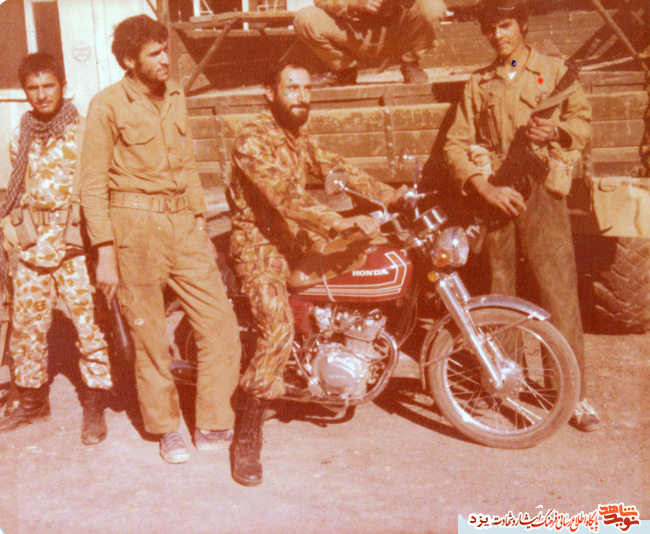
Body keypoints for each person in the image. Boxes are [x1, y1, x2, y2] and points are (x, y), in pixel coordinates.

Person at [228, 60, 408, 485]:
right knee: (277, 327)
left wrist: (391, 195)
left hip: (296, 238)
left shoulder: (299, 138)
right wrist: (336, 222)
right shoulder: (251, 140)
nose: (302, 97)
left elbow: (337, 170)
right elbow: (284, 195)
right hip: (259, 245)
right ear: (269, 92)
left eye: (307, 89)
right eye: (292, 88)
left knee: (366, 256)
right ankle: (247, 434)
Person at [80, 15, 241, 464]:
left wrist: (200, 224)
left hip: (183, 224)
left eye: (165, 49)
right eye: (154, 53)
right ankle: (167, 427)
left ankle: (213, 418)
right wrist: (105, 252)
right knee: (149, 335)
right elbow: (92, 185)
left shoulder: (176, 95)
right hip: (134, 227)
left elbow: (188, 165)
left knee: (220, 323)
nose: (166, 59)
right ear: (129, 61)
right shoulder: (106, 105)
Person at [443, 0, 600, 431]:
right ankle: (504, 385)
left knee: (558, 290)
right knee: (500, 292)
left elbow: (582, 123)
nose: (498, 36)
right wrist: (485, 188)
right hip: (499, 191)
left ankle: (573, 395)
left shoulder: (553, 71)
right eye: (491, 29)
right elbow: (455, 145)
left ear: (523, 24)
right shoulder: (479, 83)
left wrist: (557, 131)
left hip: (543, 191)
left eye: (506, 25)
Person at [0, 53, 112, 445]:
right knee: (27, 326)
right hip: (34, 246)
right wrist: (13, 234)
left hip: (75, 245)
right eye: (33, 88)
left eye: (49, 85)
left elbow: (99, 187)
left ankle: (95, 402)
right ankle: (33, 402)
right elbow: (14, 191)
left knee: (90, 326)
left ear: (63, 86)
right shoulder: (21, 135)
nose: (42, 94)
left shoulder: (85, 132)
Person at [293, 0, 448, 86]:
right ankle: (344, 70)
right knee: (305, 18)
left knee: (432, 6)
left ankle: (410, 63)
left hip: (397, 33)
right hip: (353, 32)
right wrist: (354, 4)